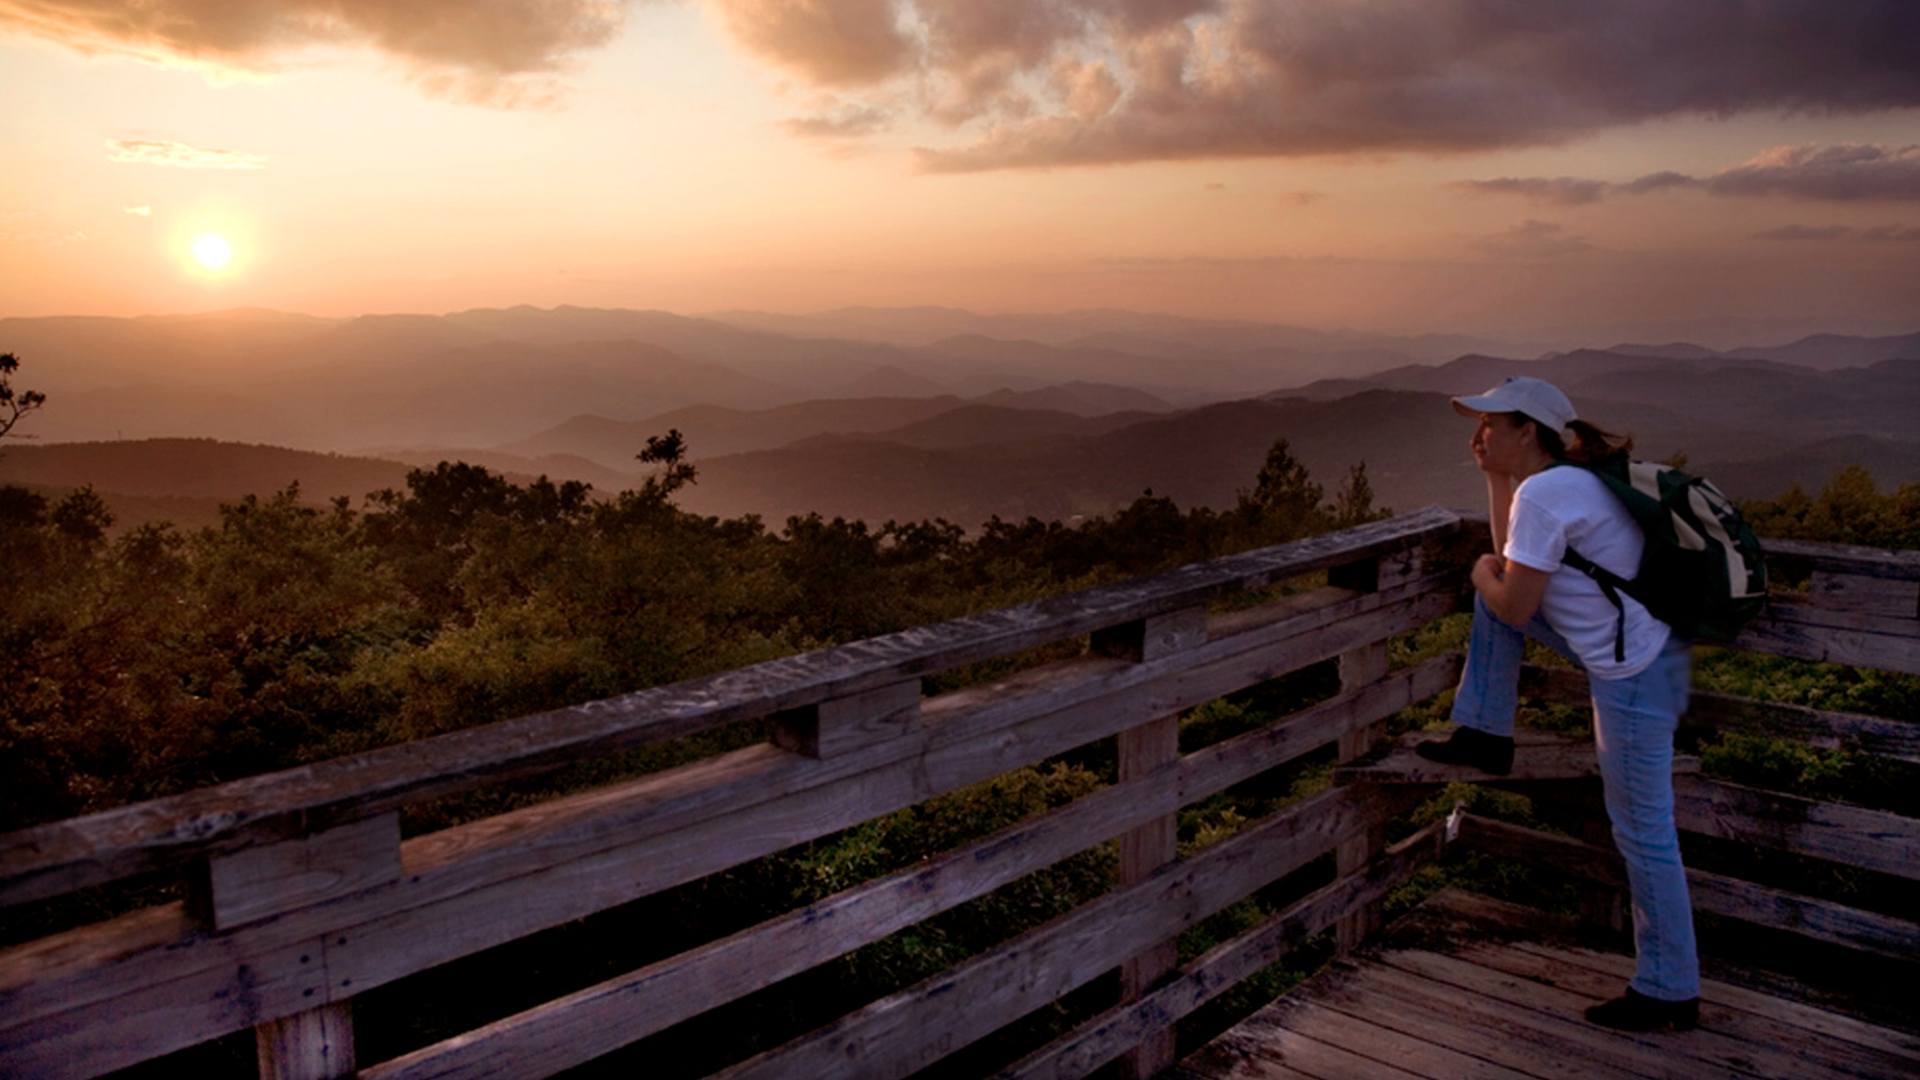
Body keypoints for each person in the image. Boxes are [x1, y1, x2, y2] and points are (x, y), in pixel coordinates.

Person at [1421, 375, 1701, 1032]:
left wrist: (1477, 574)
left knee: (1644, 832)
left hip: (1633, 672)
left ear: (1529, 432)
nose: (1482, 433)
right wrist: (1493, 483)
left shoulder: (1547, 495)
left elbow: (1512, 597)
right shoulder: (1566, 481)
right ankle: (1486, 732)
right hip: (1647, 651)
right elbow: (1515, 569)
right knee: (1492, 604)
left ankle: (1669, 989)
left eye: (1494, 423)